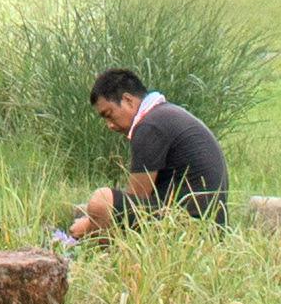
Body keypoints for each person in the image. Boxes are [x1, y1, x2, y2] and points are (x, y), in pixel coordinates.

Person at [66, 65, 228, 237]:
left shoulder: (149, 126)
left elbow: (136, 199)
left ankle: (102, 255)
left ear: (128, 100)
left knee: (102, 201)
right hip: (208, 226)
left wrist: (89, 226)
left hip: (190, 228)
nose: (110, 125)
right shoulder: (165, 115)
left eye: (109, 114)